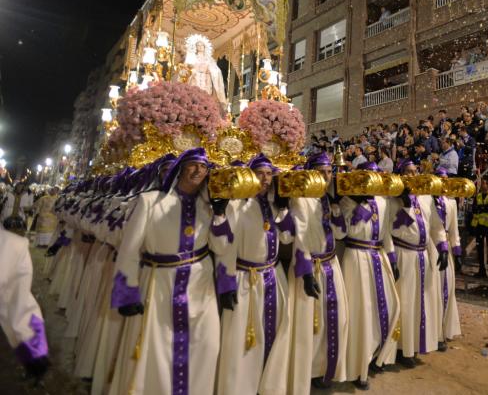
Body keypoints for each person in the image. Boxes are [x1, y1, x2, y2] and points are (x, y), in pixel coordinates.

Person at [109, 148, 234, 395]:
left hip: (200, 288)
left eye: (204, 167)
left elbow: (221, 246)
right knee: (156, 348)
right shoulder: (150, 201)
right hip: (159, 284)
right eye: (193, 165)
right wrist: (127, 292)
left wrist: (220, 214)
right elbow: (130, 249)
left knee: (206, 345)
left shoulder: (210, 206)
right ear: (180, 168)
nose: (199, 171)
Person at [215, 155, 294, 395]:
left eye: (269, 174)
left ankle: (268, 384)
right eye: (260, 173)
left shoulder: (273, 204)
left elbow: (287, 238)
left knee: (273, 332)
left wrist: (283, 208)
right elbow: (224, 247)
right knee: (241, 339)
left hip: (272, 275)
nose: (265, 179)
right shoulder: (237, 205)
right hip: (244, 279)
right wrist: (226, 283)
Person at [286, 152, 350, 392]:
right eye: (321, 172)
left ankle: (327, 368)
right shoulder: (300, 199)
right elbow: (299, 238)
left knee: (336, 320)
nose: (326, 176)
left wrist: (336, 207)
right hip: (310, 268)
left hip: (331, 266)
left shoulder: (329, 199)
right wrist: (305, 273)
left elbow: (341, 234)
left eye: (328, 172)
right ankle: (309, 371)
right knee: (309, 326)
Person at [339, 162, 400, 389]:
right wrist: (359, 208)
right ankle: (356, 364)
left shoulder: (384, 202)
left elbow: (386, 234)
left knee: (384, 307)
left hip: (377, 257)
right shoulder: (347, 201)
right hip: (355, 258)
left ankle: (376, 352)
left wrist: (392, 259)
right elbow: (345, 232)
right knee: (359, 311)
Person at [391, 159, 448, 367]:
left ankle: (415, 344)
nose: (412, 175)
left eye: (415, 171)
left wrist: (442, 246)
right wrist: (405, 206)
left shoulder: (425, 197)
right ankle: (401, 348)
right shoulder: (392, 199)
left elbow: (436, 224)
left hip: (423, 256)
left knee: (422, 302)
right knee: (406, 302)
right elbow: (393, 229)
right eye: (407, 172)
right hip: (403, 255)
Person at [0, 223, 50, 382]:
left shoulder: (10, 246)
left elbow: (17, 300)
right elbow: (18, 303)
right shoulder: (10, 245)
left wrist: (34, 348)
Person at [431, 167, 462, 351]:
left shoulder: (451, 203)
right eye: (439, 179)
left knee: (447, 288)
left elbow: (454, 229)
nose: (443, 183)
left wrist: (457, 252)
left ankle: (444, 329)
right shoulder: (427, 201)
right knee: (432, 290)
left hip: (446, 250)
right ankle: (433, 333)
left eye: (445, 179)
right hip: (430, 247)